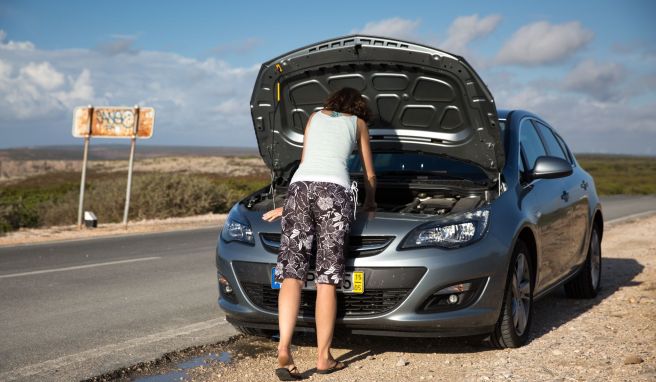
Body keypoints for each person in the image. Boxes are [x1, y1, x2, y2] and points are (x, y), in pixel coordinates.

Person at [262, 87, 377, 380]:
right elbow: (369, 174)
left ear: (332, 102)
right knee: (327, 279)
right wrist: (370, 202)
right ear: (358, 107)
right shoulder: (358, 124)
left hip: (300, 189)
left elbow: (305, 162)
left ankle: (284, 349)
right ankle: (323, 357)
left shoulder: (314, 117)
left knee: (292, 275)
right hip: (334, 192)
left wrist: (286, 206)